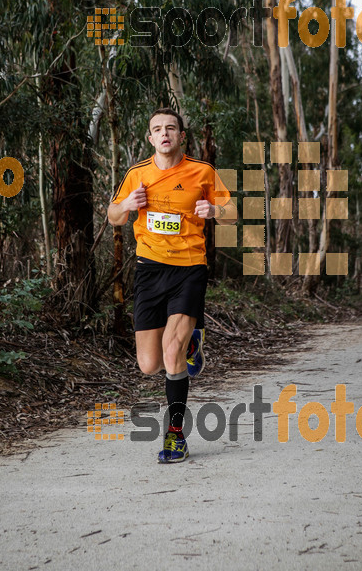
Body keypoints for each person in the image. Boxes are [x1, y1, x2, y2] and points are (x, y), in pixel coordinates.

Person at [107, 107, 236, 463]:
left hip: (189, 268)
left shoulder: (202, 172)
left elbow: (233, 211)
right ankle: (191, 344)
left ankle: (175, 435)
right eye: (157, 129)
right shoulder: (137, 174)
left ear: (181, 136)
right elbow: (112, 214)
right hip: (149, 269)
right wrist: (128, 206)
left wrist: (215, 212)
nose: (164, 134)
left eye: (171, 128)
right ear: (150, 138)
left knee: (171, 351)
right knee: (149, 365)